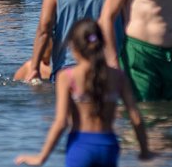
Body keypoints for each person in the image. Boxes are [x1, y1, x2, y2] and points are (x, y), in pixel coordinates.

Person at [15, 18, 151, 166]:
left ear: (73, 46)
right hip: (108, 146)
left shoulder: (67, 76)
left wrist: (41, 157)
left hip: (80, 146)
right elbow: (135, 117)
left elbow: (61, 122)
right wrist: (144, 151)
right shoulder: (118, 76)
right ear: (102, 43)